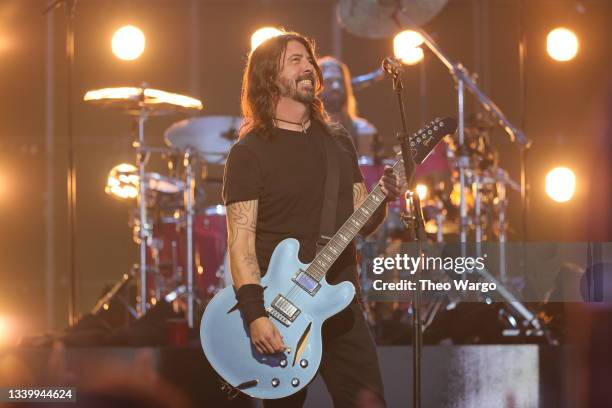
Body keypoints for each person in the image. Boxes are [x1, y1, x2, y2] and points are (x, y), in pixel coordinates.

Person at [222, 31, 400, 407]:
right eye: (295, 61)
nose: (308, 67)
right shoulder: (248, 153)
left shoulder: (338, 142)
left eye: (309, 60)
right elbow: (240, 243)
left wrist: (383, 198)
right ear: (270, 77)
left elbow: (361, 223)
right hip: (279, 315)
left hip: (340, 308)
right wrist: (255, 317)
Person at [318, 56, 381, 160]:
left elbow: (367, 172)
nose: (336, 87)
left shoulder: (362, 130)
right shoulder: (305, 129)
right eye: (329, 81)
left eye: (340, 81)